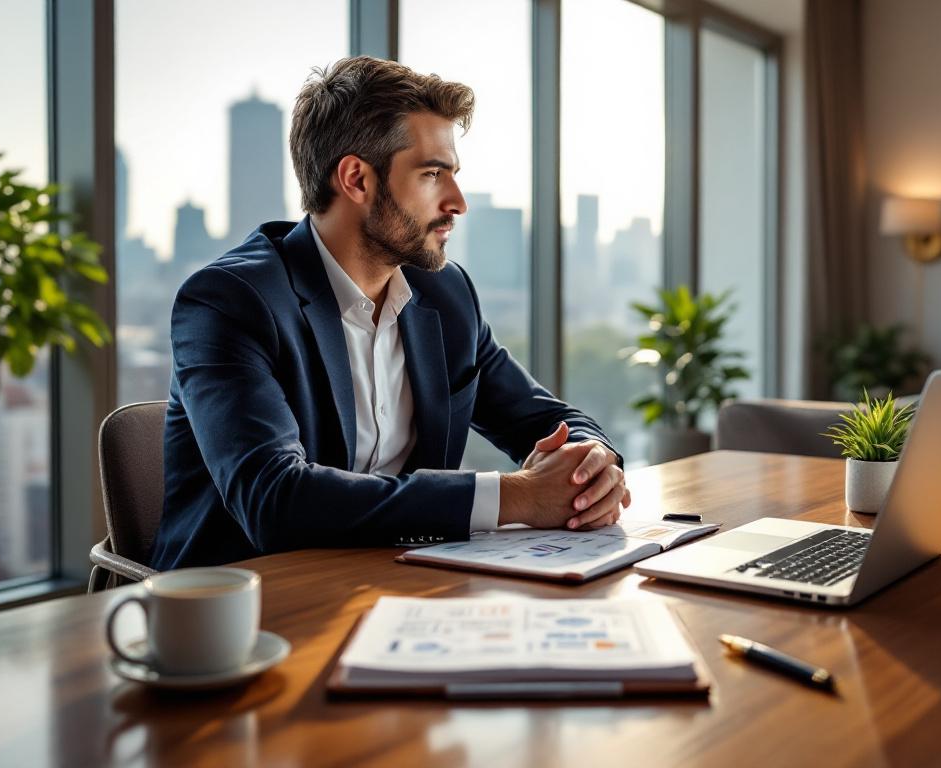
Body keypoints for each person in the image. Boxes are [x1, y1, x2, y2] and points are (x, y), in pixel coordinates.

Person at [150, 57, 628, 570]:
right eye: (432, 174)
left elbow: (547, 419)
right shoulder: (231, 300)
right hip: (247, 608)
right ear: (357, 179)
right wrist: (516, 496)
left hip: (401, 588)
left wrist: (591, 465)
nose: (458, 202)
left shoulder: (445, 294)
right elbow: (274, 500)